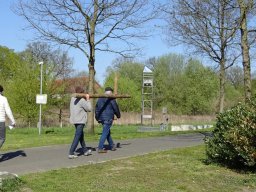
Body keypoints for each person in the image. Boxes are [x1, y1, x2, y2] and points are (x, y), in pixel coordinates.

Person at [69, 86, 92, 159]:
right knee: (78, 136)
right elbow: (89, 108)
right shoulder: (82, 100)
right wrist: (87, 99)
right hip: (80, 120)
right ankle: (71, 152)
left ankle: (85, 151)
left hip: (75, 120)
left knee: (81, 136)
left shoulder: (72, 98)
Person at [95, 87, 121, 153]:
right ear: (110, 92)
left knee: (107, 132)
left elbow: (96, 109)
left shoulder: (100, 98)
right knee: (105, 132)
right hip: (108, 118)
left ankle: (112, 146)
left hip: (102, 118)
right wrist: (118, 115)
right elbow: (115, 107)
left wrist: (97, 117)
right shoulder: (111, 98)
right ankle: (100, 148)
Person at [0, 85, 16, 150]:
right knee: (2, 138)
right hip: (1, 121)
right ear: (1, 91)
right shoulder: (4, 99)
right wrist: (13, 121)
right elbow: (8, 111)